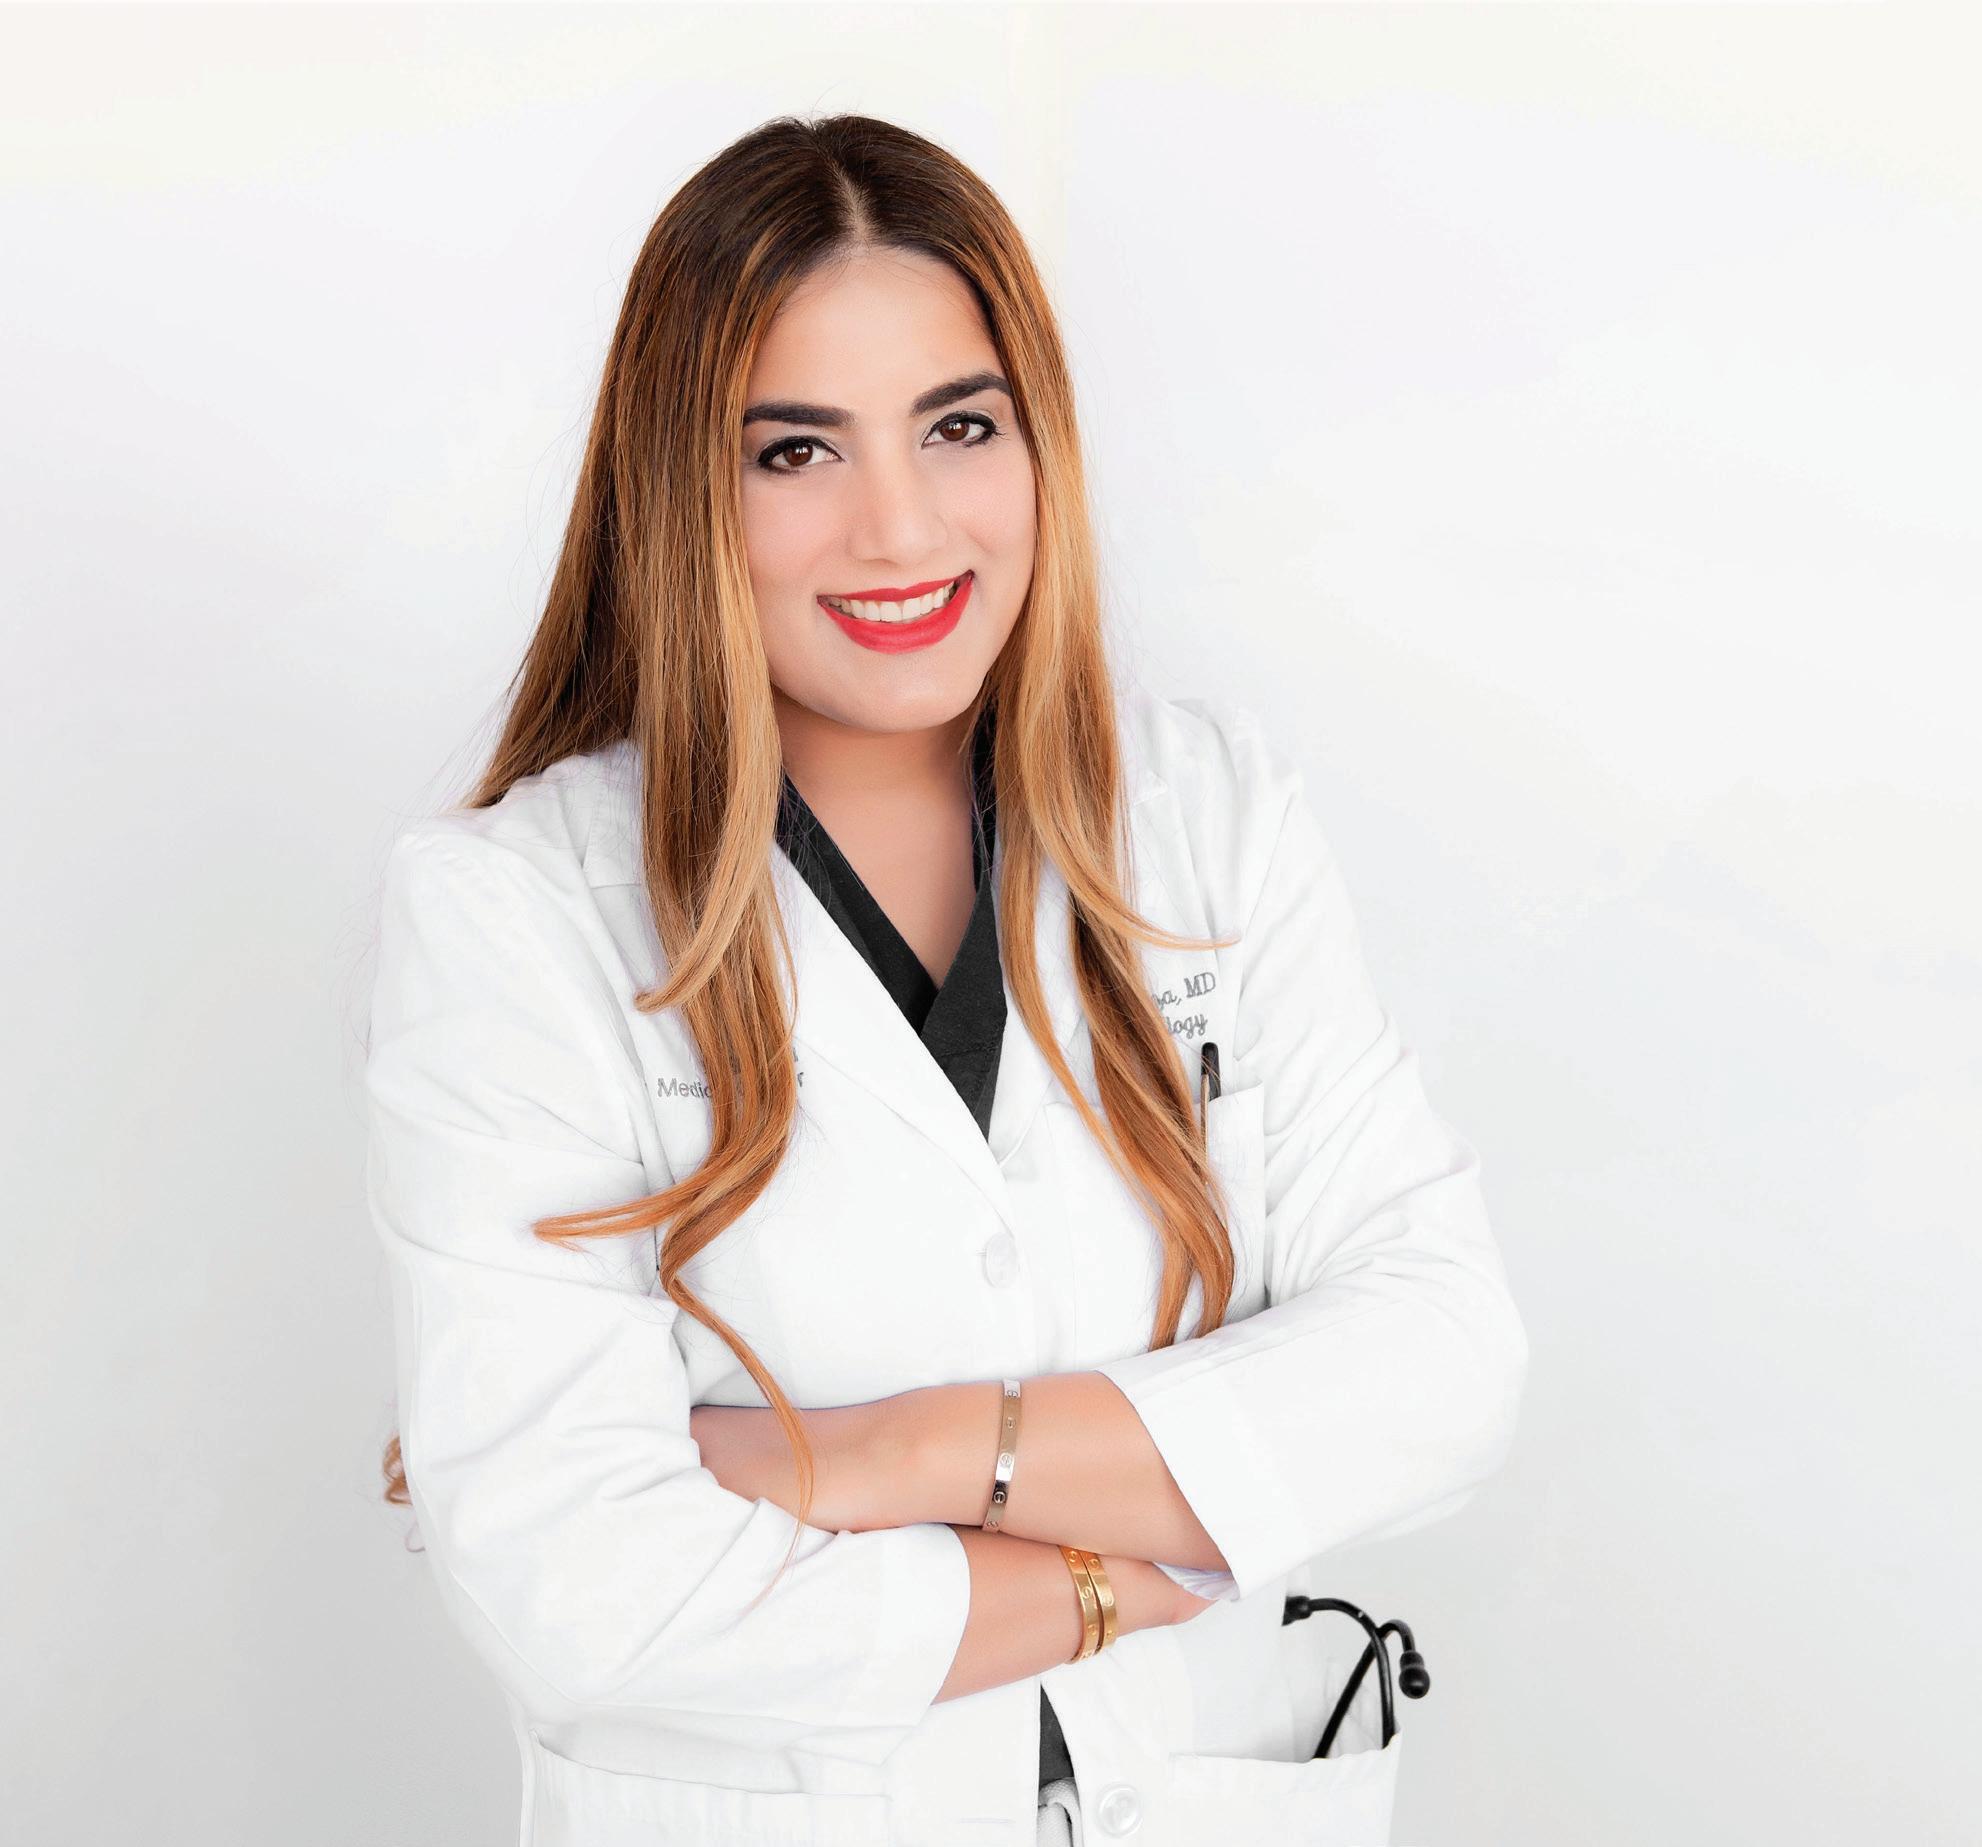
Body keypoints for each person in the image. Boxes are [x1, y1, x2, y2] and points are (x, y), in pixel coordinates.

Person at [364, 112, 1529, 1847]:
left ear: (1037, 438)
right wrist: (1138, 1565)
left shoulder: (1208, 819)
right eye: (795, 451)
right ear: (681, 492)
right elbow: (580, 1586)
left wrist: (894, 1455)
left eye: (957, 426)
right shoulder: (517, 913)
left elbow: (1438, 1368)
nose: (898, 529)